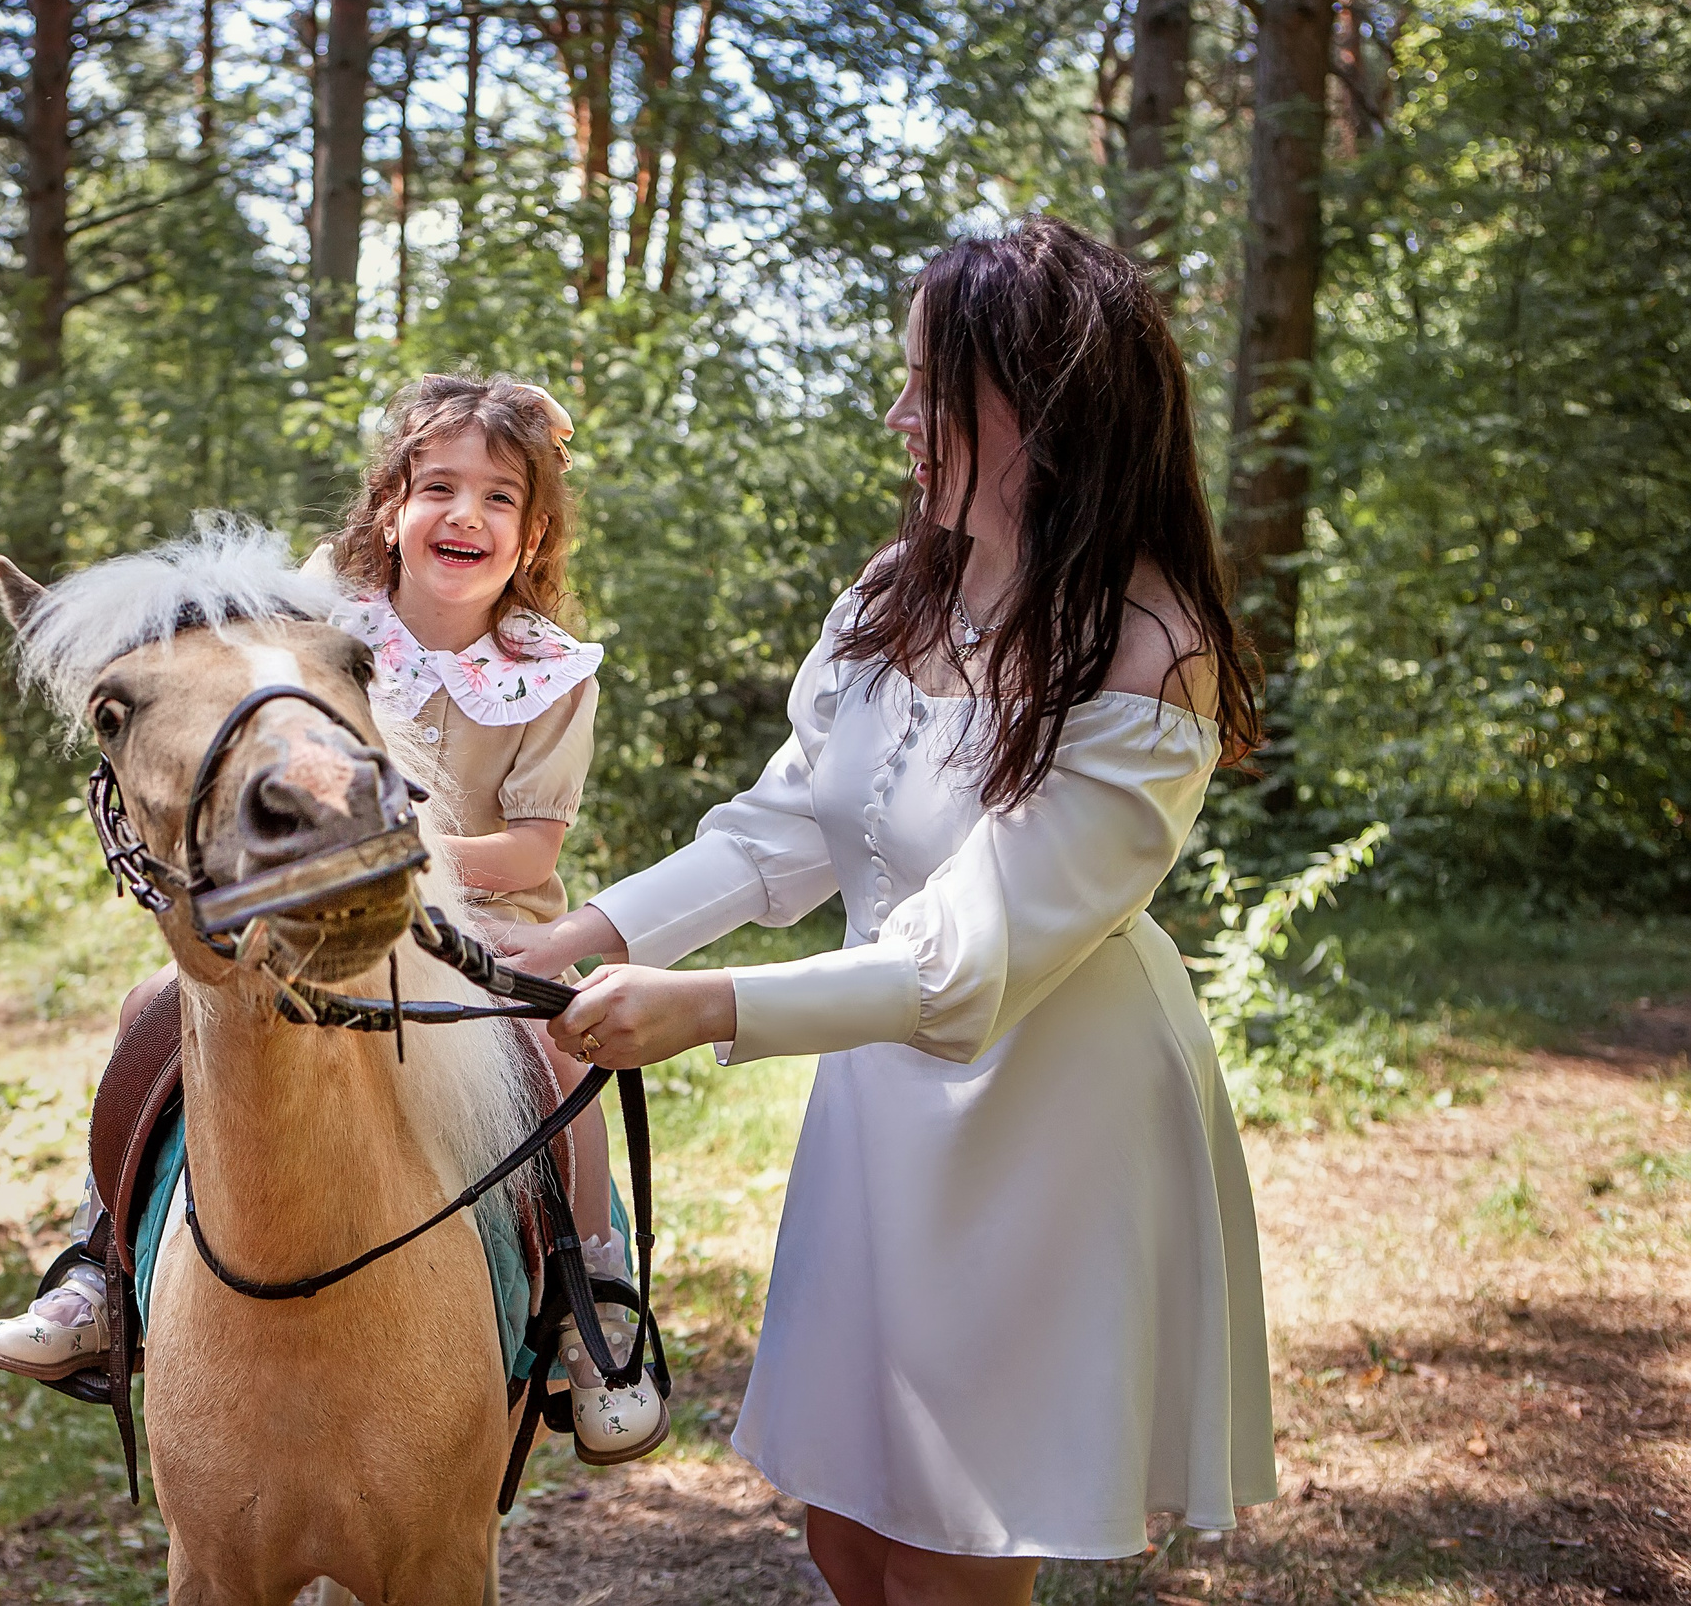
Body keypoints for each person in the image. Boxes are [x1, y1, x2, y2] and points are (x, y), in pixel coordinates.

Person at [498, 219, 1278, 1604]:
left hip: (1044, 1116)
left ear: (1040, 405)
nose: (898, 413)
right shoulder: (897, 587)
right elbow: (787, 825)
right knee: (846, 1530)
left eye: (931, 385)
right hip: (880, 1102)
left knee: (948, 1541)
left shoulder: (1154, 656)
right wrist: (584, 935)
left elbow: (968, 955)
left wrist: (704, 1008)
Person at [0, 373, 668, 1464]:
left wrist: (406, 860)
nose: (463, 515)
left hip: (487, 919)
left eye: (497, 498)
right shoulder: (321, 616)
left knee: (559, 1045)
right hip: (308, 897)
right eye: (437, 487)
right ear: (389, 506)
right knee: (153, 1002)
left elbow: (533, 849)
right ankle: (97, 1261)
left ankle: (591, 1289)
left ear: (531, 536)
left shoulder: (548, 675)